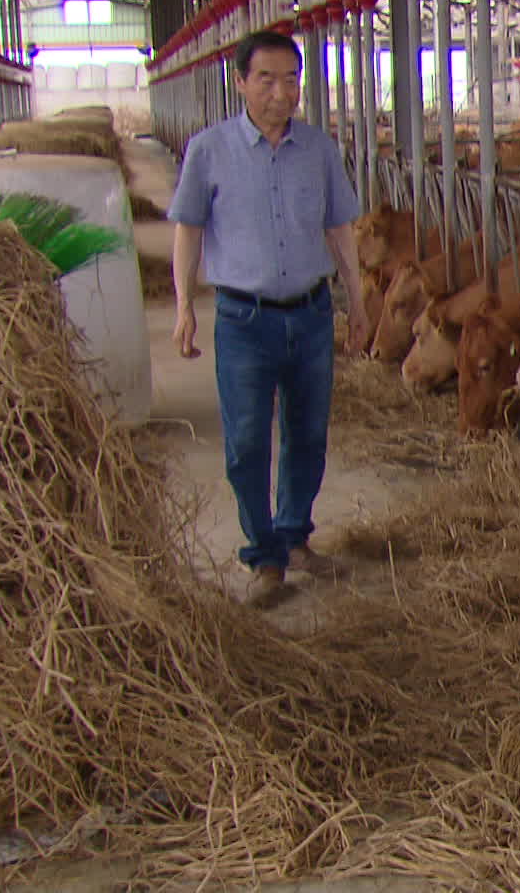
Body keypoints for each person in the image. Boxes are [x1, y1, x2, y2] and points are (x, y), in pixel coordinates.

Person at [168, 30, 371, 609]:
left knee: (308, 435)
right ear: (241, 82)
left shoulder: (319, 150)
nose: (280, 92)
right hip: (243, 319)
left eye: (290, 79)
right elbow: (188, 228)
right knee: (247, 442)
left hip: (309, 314)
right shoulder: (208, 150)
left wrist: (355, 302)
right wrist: (183, 306)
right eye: (266, 79)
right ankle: (264, 555)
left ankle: (294, 533)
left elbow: (340, 228)